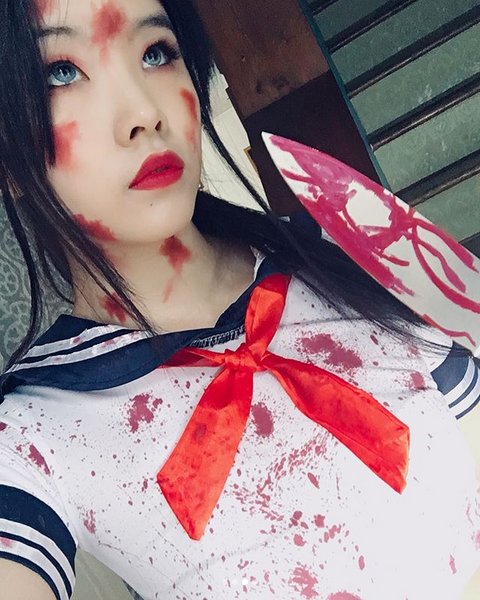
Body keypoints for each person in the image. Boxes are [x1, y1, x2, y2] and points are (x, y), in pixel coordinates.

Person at [0, 0, 479, 599]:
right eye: (61, 72)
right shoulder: (36, 435)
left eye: (156, 53)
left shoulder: (350, 251)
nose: (144, 113)